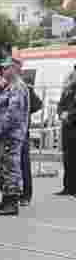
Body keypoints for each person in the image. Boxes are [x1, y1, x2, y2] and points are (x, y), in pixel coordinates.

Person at [0, 54, 29, 216]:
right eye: (2, 68)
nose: (3, 71)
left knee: (11, 167)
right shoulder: (7, 87)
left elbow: (12, 115)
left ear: (14, 69)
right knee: (3, 167)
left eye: (6, 68)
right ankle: (6, 198)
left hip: (10, 135)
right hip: (3, 135)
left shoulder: (17, 87)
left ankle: (12, 201)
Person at [19, 75, 42, 207]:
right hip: (10, 132)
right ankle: (15, 193)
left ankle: (26, 194)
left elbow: (38, 104)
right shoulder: (6, 87)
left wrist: (26, 111)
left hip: (22, 131)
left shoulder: (26, 88)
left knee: (24, 164)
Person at [55, 66, 76, 196]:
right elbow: (60, 104)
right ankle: (67, 187)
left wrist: (69, 115)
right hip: (67, 128)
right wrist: (61, 113)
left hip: (74, 125)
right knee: (67, 158)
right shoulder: (68, 90)